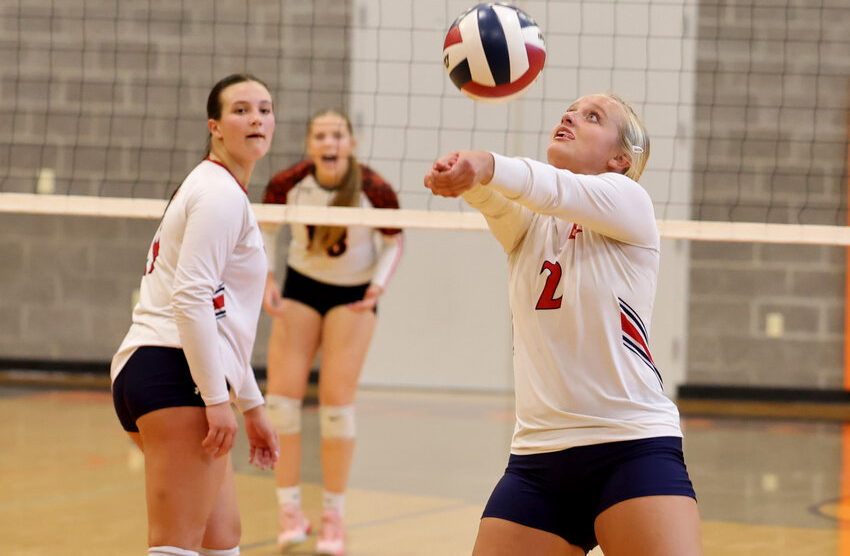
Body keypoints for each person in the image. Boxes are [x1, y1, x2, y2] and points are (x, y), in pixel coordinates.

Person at [424, 93, 703, 556]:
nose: (570, 116)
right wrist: (467, 179)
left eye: (592, 117)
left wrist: (486, 163)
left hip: (630, 446)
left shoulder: (628, 199)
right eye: (569, 110)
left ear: (619, 158)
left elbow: (549, 187)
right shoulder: (531, 225)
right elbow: (501, 205)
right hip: (538, 460)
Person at [111, 73, 281, 556]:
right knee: (177, 546)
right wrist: (215, 398)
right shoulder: (219, 194)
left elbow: (219, 315)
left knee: (221, 538)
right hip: (174, 371)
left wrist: (252, 404)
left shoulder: (218, 189)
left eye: (265, 109)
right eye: (241, 109)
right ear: (215, 127)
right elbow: (190, 298)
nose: (256, 118)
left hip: (157, 368)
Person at [260, 109, 403, 555]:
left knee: (337, 409)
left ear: (351, 143)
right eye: (320, 135)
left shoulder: (374, 188)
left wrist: (377, 286)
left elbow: (393, 240)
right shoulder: (288, 183)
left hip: (354, 294)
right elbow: (263, 228)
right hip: (302, 287)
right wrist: (267, 277)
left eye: (337, 135)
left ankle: (333, 517)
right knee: (281, 405)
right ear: (310, 145)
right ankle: (290, 513)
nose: (329, 143)